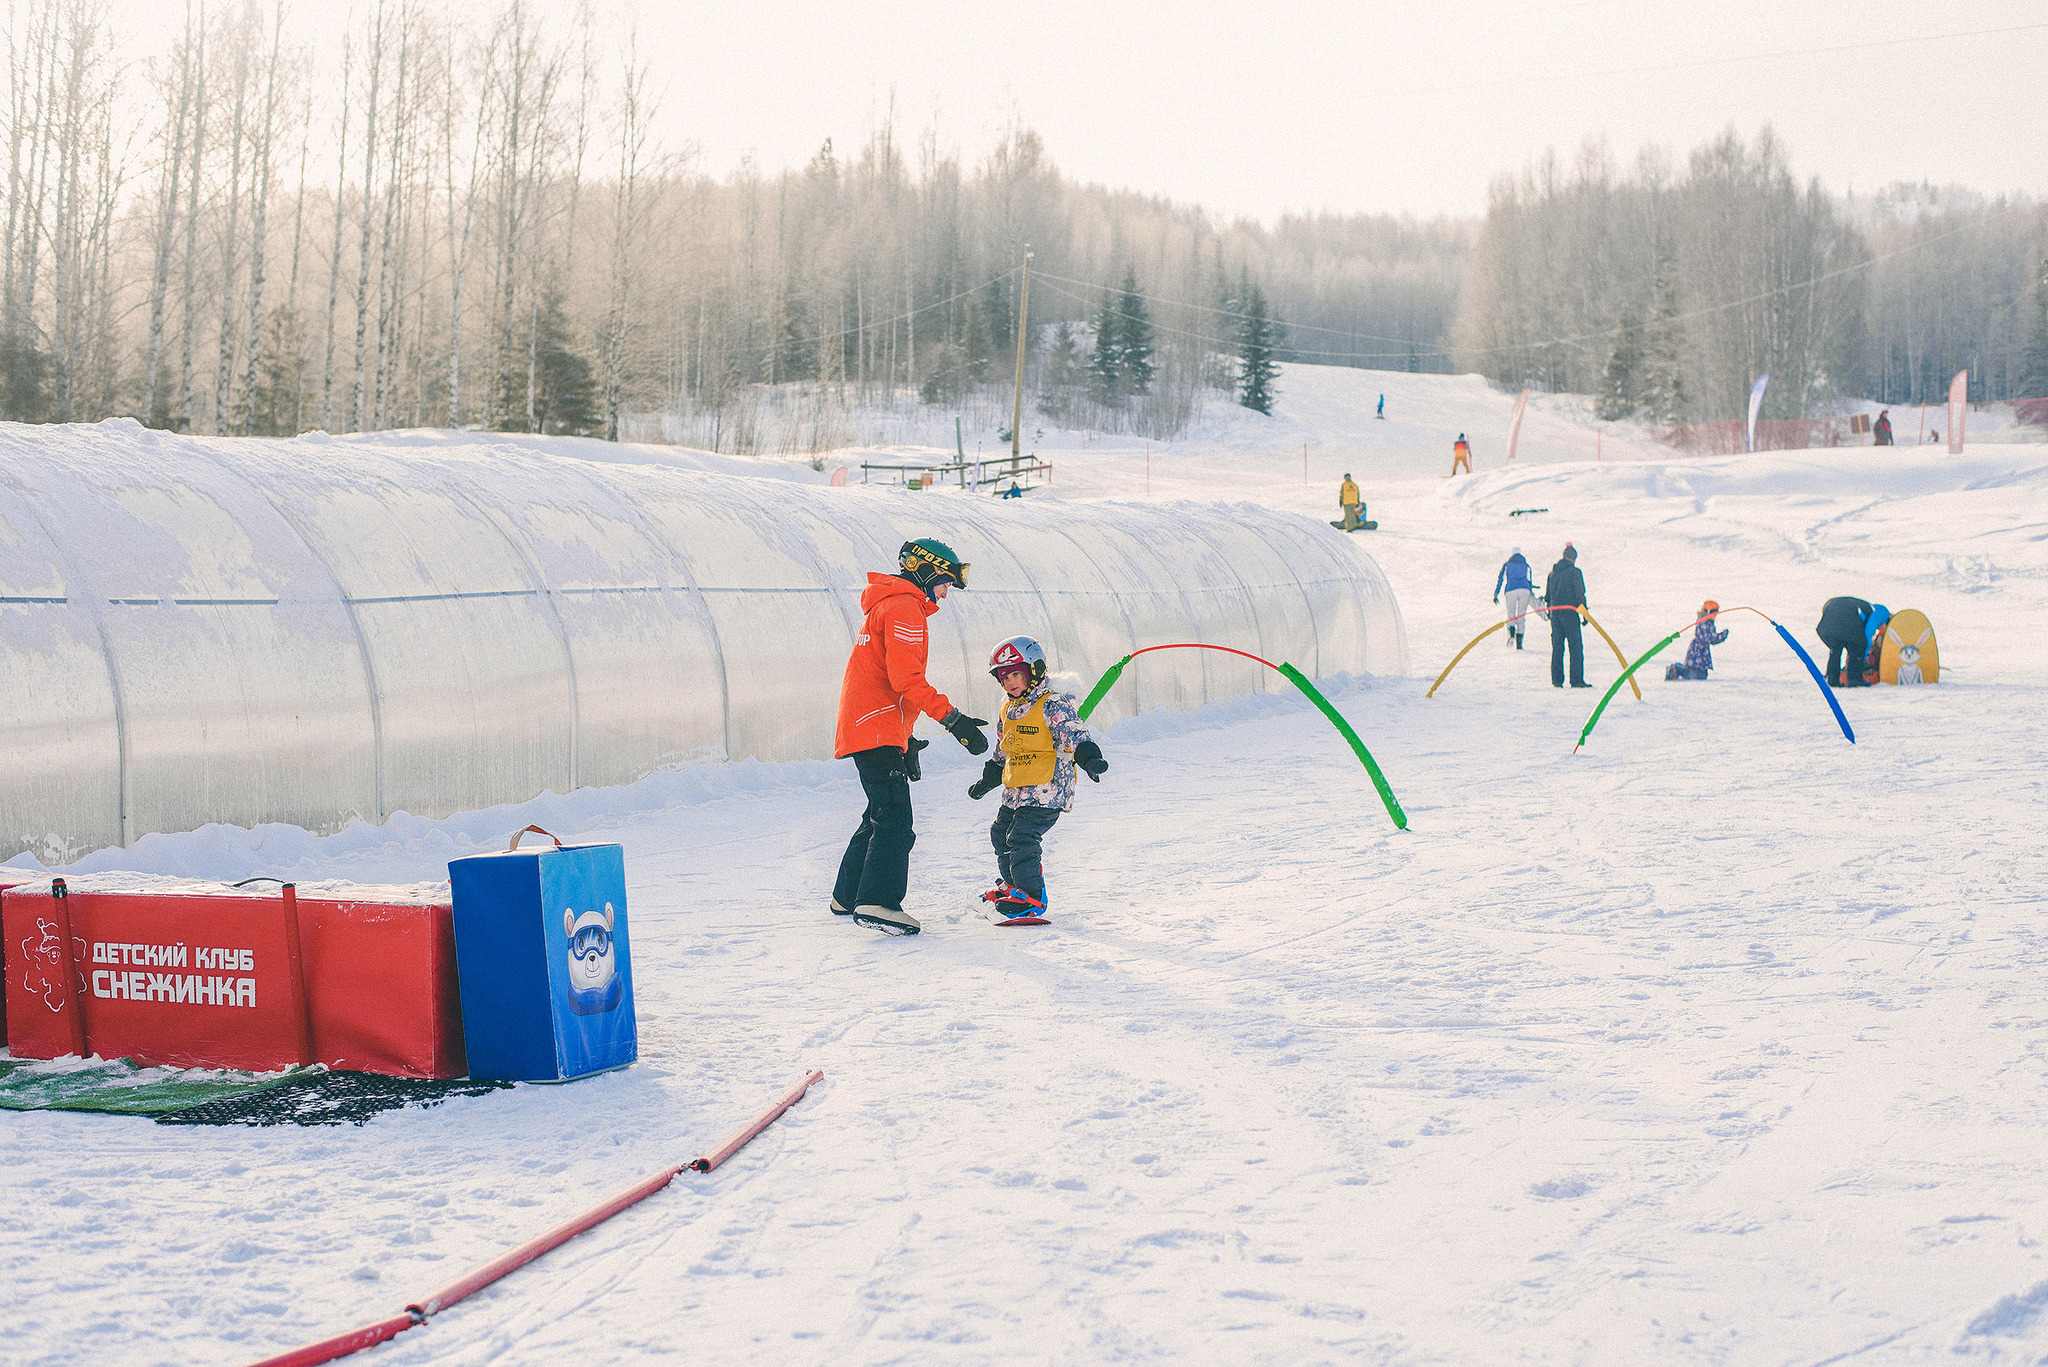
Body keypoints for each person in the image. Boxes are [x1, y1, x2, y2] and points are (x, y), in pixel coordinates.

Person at [831, 538, 990, 935]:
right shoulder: (904, 607)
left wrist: (906, 738)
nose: (946, 592)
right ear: (927, 571)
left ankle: (847, 895)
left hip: (874, 724)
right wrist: (953, 720)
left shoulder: (890, 603)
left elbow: (882, 679)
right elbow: (905, 680)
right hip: (875, 725)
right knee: (896, 820)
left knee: (879, 814)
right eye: (945, 583)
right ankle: (878, 903)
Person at [967, 636, 1107, 922]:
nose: (1010, 683)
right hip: (1016, 789)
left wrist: (1089, 757)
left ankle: (1032, 896)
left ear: (1034, 669)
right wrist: (988, 777)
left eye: (1016, 674)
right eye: (1004, 678)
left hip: (1048, 789)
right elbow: (1003, 747)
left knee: (1022, 837)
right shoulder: (1007, 709)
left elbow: (1074, 733)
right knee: (1000, 834)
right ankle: (1015, 889)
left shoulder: (1052, 704)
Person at [1545, 543, 1590, 687]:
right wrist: (1585, 614)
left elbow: (1548, 596)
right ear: (1574, 558)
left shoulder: (1552, 574)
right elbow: (1579, 593)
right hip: (1570, 613)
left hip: (1555, 614)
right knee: (1575, 647)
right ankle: (1576, 680)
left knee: (1557, 648)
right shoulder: (1575, 572)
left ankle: (1557, 680)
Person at [1815, 596, 1875, 687]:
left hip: (1828, 626)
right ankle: (1854, 679)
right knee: (1857, 649)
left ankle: (1832, 680)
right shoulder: (1870, 609)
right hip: (1847, 624)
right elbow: (1868, 625)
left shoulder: (1845, 602)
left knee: (1835, 652)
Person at [1665, 601, 1728, 680]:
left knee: (1702, 675)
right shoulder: (1704, 623)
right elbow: (1708, 639)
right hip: (1698, 652)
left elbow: (1713, 641)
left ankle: (1678, 668)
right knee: (1696, 675)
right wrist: (1721, 636)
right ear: (1708, 612)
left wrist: (1722, 636)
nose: (1715, 616)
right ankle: (1675, 669)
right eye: (1713, 614)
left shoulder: (1709, 623)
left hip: (1702, 653)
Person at [1494, 547, 1535, 649]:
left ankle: (1511, 635)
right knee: (1521, 616)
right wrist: (1531, 592)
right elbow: (1529, 580)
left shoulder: (1507, 564)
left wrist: (1496, 593)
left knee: (1511, 614)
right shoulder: (1526, 565)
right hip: (1524, 590)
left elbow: (1501, 578)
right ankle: (1519, 644)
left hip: (1511, 590)